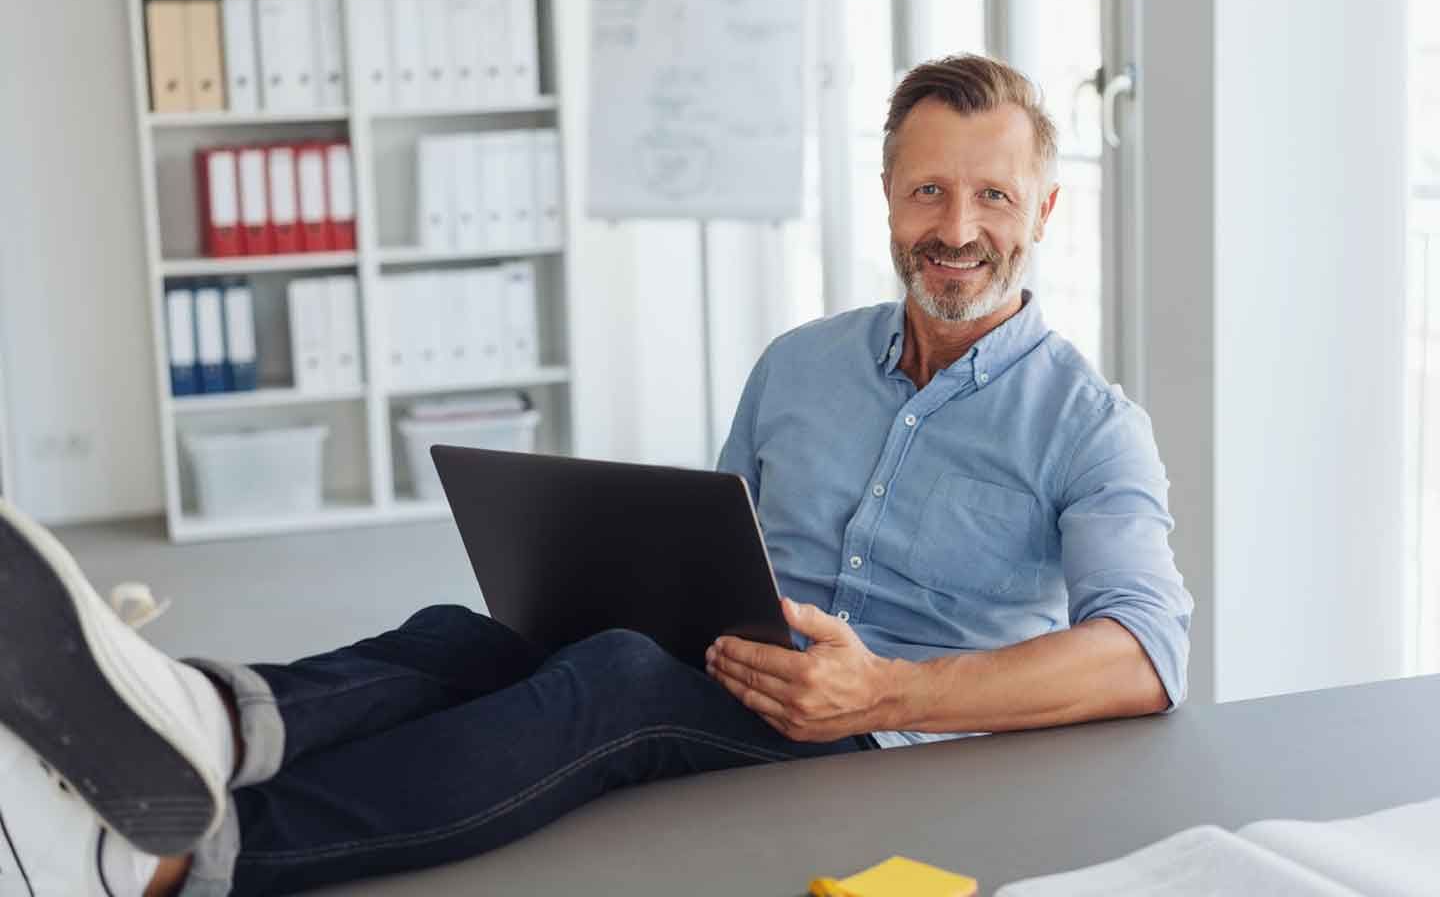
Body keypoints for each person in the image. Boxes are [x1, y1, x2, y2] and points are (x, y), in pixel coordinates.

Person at [0, 54, 1193, 896]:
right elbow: (715, 539)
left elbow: (1146, 656)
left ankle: (172, 861)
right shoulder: (802, 364)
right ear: (887, 196)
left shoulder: (1090, 425)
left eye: (993, 194)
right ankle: (187, 718)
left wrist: (887, 695)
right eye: (929, 187)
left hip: (883, 742)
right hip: (743, 656)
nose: (958, 225)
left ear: (1044, 205)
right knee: (469, 638)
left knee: (610, 683)